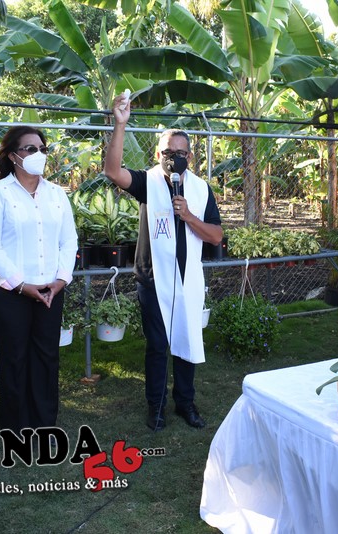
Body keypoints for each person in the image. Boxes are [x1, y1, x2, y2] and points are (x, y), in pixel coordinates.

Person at [104, 92, 223, 431]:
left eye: (181, 153)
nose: (174, 158)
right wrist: (120, 124)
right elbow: (112, 171)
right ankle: (155, 407)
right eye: (168, 153)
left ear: (190, 156)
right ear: (159, 155)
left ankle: (185, 403)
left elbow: (216, 236)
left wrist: (189, 217)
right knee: (158, 346)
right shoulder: (148, 182)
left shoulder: (200, 190)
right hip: (153, 280)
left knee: (186, 340)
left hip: (188, 279)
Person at [0, 126, 78, 434]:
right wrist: (21, 285)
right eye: (30, 149)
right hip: (10, 291)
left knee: (47, 357)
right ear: (13, 156)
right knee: (14, 358)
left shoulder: (57, 194)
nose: (39, 154)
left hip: (51, 289)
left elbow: (69, 240)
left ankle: (45, 424)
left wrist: (61, 280)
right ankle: (15, 428)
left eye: (42, 149)